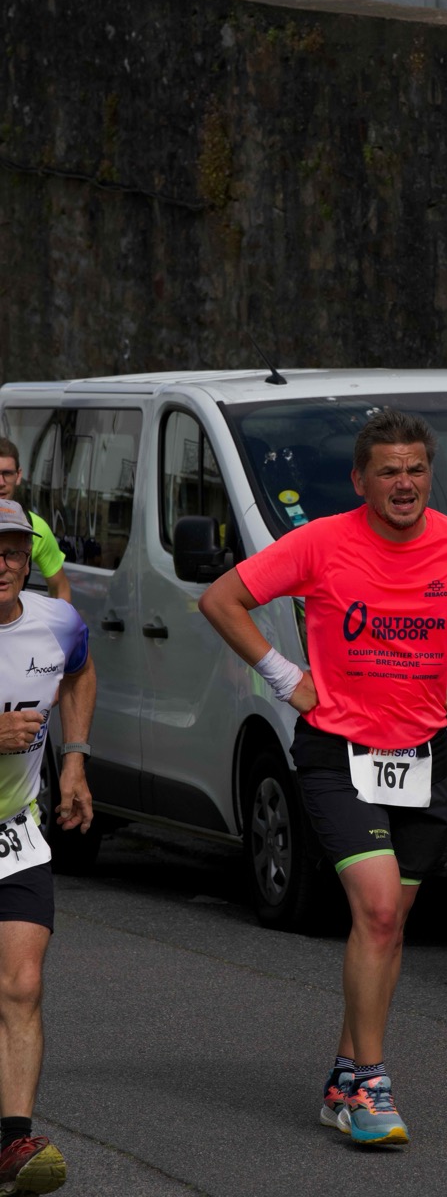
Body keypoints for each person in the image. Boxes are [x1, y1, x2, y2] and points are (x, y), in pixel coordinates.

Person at [199, 409, 447, 1147]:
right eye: (389, 471)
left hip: (418, 754)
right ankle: (370, 1084)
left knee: (389, 924)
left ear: (429, 475)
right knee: (374, 908)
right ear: (359, 481)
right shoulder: (321, 542)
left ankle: (344, 1079)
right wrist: (285, 678)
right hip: (337, 751)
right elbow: (221, 599)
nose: (404, 483)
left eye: (416, 470)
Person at [0, 498, 96, 1194]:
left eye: (12, 550)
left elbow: (80, 669)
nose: (0, 563)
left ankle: (12, 1142)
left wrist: (75, 760)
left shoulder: (56, 621)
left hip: (13, 831)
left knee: (23, 984)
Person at [0, 439, 71, 603]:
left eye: (7, 473)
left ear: (18, 475)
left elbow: (61, 588)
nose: (1, 483)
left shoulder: (35, 526)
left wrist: (61, 618)